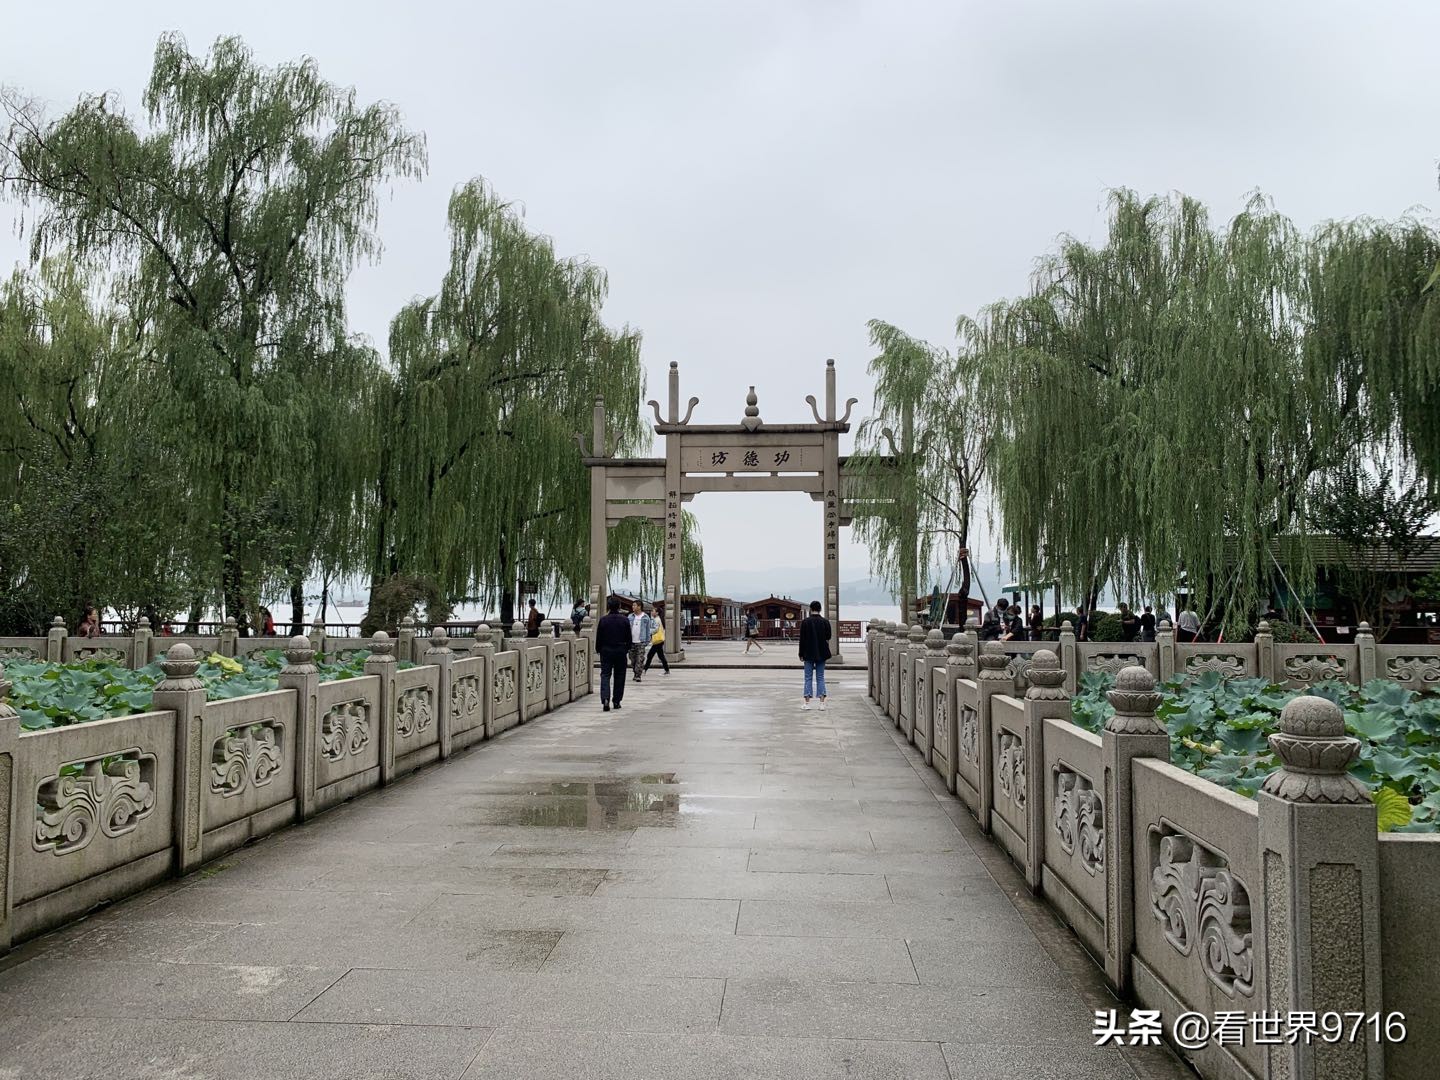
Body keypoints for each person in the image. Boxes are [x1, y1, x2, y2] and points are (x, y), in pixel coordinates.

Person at [595, 599, 632, 712]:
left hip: (606, 650)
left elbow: (599, 637)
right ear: (619, 606)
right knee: (620, 675)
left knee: (605, 675)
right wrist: (626, 648)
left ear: (608, 607)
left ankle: (605, 699)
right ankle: (616, 701)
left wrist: (598, 649)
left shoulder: (603, 620)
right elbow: (629, 637)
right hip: (620, 650)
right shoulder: (624, 620)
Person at [798, 600, 832, 710]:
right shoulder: (825, 622)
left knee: (808, 677)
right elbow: (828, 636)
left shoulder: (805, 622)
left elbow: (802, 640)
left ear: (810, 609)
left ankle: (807, 703)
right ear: (820, 609)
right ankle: (822, 704)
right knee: (820, 677)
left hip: (808, 653)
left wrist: (801, 653)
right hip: (822, 653)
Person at [628, 601, 654, 681]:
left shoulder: (645, 617)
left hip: (641, 641)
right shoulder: (630, 616)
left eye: (634, 605)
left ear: (639, 607)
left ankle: (638, 675)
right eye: (633, 605)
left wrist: (647, 641)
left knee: (640, 659)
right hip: (631, 641)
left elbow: (648, 630)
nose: (633, 607)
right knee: (632, 660)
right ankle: (635, 672)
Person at [644, 602, 670, 675]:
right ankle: (667, 670)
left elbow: (655, 629)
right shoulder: (657, 619)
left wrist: (648, 632)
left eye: (653, 611)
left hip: (658, 640)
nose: (652, 612)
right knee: (660, 656)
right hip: (659, 640)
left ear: (657, 613)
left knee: (650, 655)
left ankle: (645, 669)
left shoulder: (656, 620)